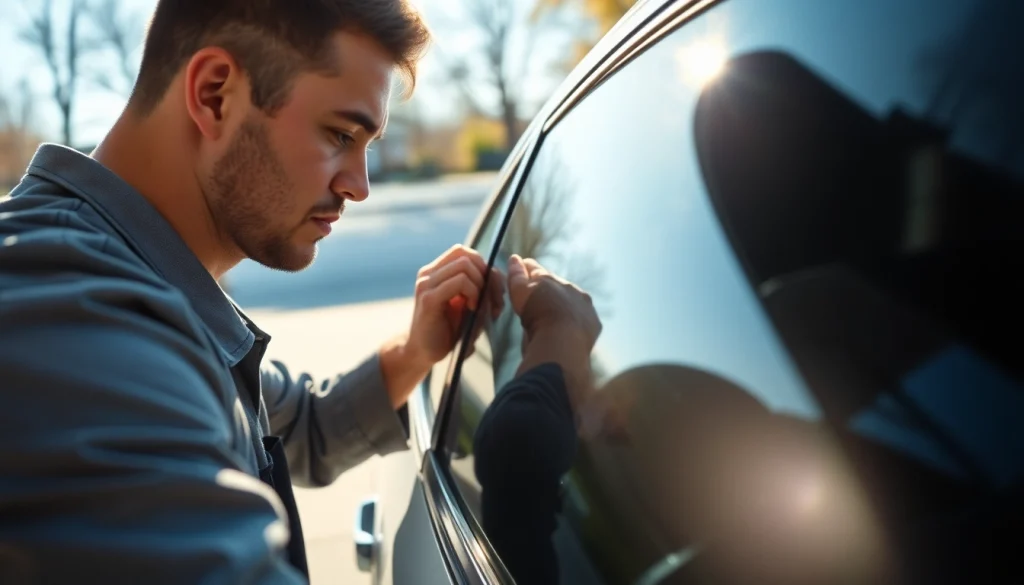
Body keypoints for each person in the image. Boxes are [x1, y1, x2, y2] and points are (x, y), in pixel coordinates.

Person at [0, 1, 596, 583]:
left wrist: (416, 351)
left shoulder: (135, 279)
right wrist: (550, 379)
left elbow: (296, 428)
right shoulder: (75, 318)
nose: (359, 186)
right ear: (215, 95)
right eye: (340, 134)